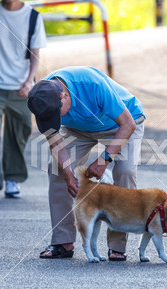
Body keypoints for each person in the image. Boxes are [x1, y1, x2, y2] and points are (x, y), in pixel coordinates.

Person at [27, 66, 145, 261]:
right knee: (56, 169)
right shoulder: (42, 96)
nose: (52, 120)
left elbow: (128, 125)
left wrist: (104, 159)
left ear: (64, 96)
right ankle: (63, 242)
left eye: (56, 114)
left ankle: (117, 245)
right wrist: (68, 175)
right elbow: (55, 142)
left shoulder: (92, 85)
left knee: (125, 171)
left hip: (121, 123)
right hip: (79, 129)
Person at [0, 0, 46, 200]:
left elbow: (35, 54)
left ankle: (12, 178)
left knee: (19, 131)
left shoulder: (33, 17)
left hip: (21, 87)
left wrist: (30, 81)